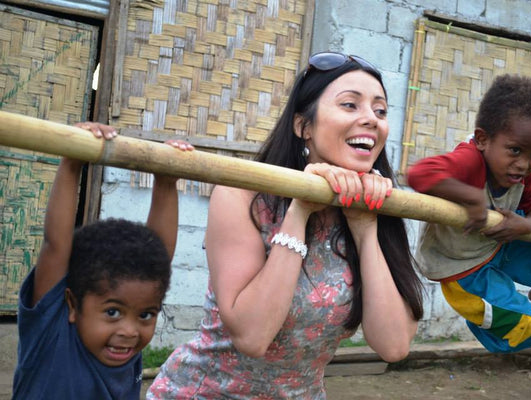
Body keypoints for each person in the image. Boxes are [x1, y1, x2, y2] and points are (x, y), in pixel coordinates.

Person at [147, 52, 424, 398]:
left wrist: (365, 229)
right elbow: (252, 336)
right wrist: (299, 211)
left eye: (380, 111)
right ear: (303, 126)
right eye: (350, 105)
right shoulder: (243, 196)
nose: (371, 119)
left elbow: (393, 346)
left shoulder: (374, 205)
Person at [407, 74, 531, 378]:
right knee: (522, 319)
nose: (524, 164)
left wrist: (526, 225)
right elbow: (418, 174)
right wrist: (470, 196)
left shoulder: (525, 175)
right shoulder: (468, 160)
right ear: (483, 139)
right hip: (463, 270)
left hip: (498, 244)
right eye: (515, 150)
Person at [11, 122, 194, 399]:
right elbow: (56, 245)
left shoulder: (122, 349)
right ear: (72, 305)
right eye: (112, 312)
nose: (131, 331)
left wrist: (166, 182)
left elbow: (159, 259)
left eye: (146, 315)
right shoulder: (54, 332)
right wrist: (71, 160)